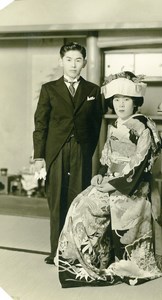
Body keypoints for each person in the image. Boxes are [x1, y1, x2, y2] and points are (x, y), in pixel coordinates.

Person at [56, 71, 162, 287]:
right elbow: (107, 158)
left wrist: (112, 184)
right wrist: (99, 173)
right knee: (80, 204)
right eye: (116, 99)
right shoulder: (116, 124)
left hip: (133, 186)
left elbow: (141, 165)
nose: (121, 104)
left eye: (126, 99)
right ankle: (86, 263)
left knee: (109, 208)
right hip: (112, 180)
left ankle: (121, 262)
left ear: (135, 102)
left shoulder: (144, 126)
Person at [33, 42, 103, 265]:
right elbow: (40, 124)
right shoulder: (49, 89)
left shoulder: (93, 90)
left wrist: (86, 150)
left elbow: (96, 123)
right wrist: (38, 157)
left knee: (78, 201)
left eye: (78, 60)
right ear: (61, 61)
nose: (73, 64)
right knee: (56, 201)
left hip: (81, 150)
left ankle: (75, 252)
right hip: (56, 151)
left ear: (84, 63)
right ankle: (56, 252)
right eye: (69, 59)